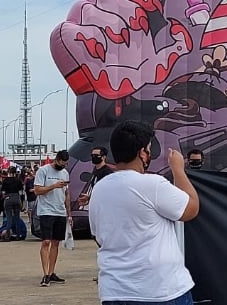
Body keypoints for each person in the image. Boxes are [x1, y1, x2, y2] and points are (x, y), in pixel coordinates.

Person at [89, 121, 199, 304]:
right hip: (160, 291)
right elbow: (191, 209)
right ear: (142, 153)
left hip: (115, 291)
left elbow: (98, 237)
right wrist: (178, 170)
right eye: (149, 149)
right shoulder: (152, 185)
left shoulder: (100, 189)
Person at [34, 150, 71, 287]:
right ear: (56, 160)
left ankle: (52, 272)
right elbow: (37, 191)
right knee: (46, 242)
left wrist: (69, 212)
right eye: (61, 163)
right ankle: (45, 274)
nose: (63, 166)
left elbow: (67, 193)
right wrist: (53, 186)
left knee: (55, 243)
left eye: (65, 164)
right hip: (46, 211)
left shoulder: (65, 173)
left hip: (60, 211)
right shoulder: (43, 171)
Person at [0, 167, 23, 242]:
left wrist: (5, 198)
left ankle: (7, 235)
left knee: (9, 218)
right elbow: (21, 192)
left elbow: (3, 192)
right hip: (16, 198)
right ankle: (18, 235)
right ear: (15, 172)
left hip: (8, 198)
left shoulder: (5, 180)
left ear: (9, 172)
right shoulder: (18, 180)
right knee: (17, 218)